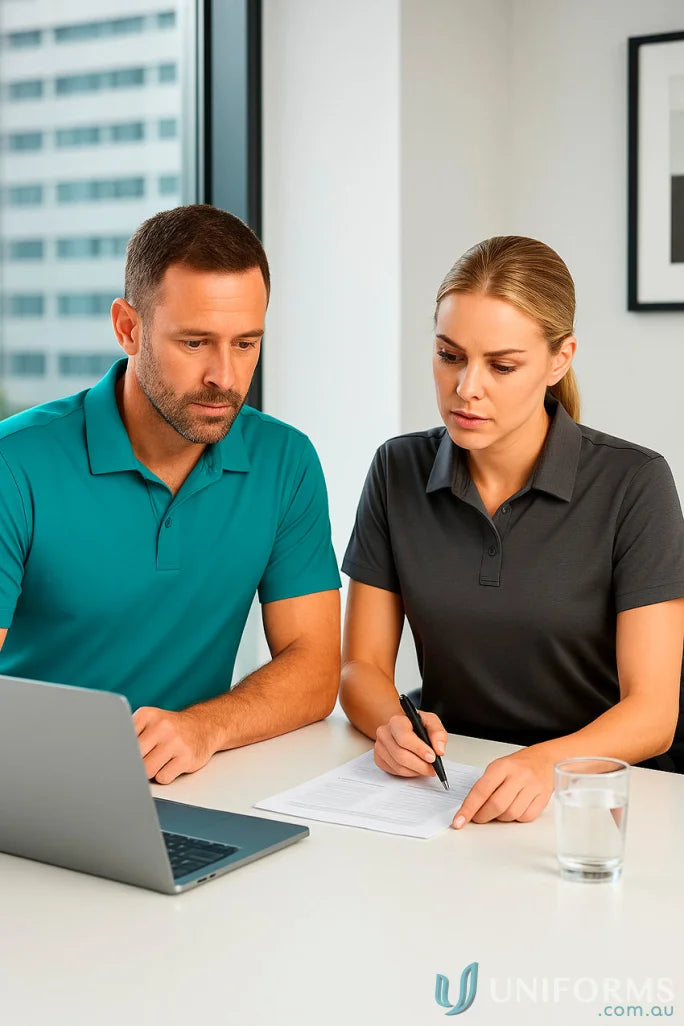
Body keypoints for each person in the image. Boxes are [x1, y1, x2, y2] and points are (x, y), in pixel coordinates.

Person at [340, 235, 684, 827]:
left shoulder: (636, 483)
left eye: (502, 366)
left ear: (559, 359)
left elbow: (653, 714)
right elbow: (360, 669)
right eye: (450, 356)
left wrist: (545, 764)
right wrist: (391, 725)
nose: (467, 387)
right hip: (449, 791)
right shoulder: (397, 469)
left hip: (592, 798)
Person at [0, 204, 341, 783]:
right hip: (31, 789)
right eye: (195, 343)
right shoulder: (15, 463)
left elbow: (314, 670)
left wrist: (204, 728)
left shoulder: (286, 462)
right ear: (128, 328)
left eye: (245, 344)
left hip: (188, 788)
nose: (225, 377)